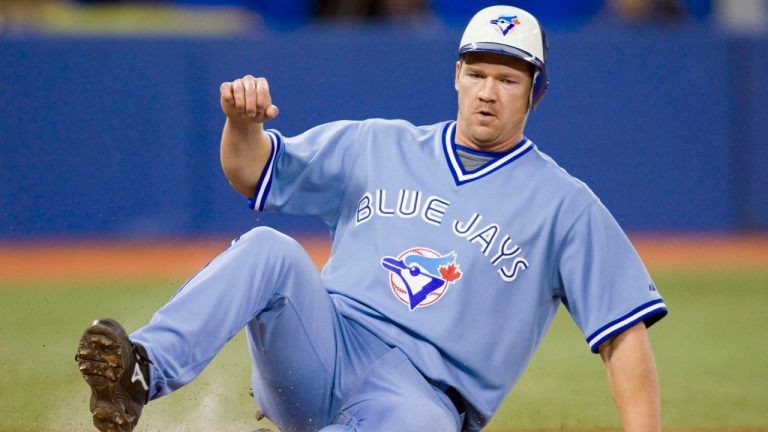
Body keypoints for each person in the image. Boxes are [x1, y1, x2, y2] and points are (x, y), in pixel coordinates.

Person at [76, 5, 668, 432]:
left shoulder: (566, 206)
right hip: (324, 345)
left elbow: (623, 336)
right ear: (456, 75)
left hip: (423, 401)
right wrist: (242, 123)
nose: (489, 91)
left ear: (534, 93)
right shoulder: (379, 145)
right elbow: (253, 172)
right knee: (270, 249)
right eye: (478, 73)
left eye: (508, 79)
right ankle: (139, 374)